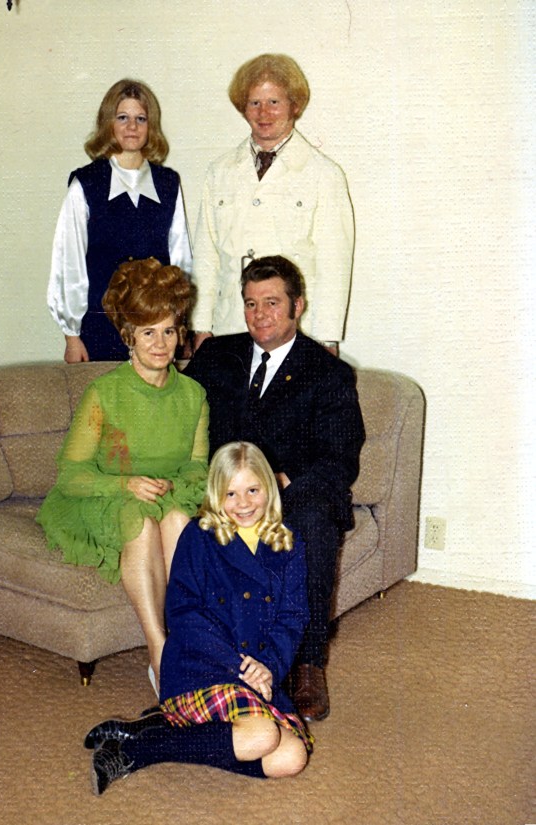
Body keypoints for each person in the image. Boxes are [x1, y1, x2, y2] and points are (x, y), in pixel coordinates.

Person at [184, 255, 365, 722]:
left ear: (297, 306)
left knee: (312, 517)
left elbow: (339, 458)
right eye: (250, 304)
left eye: (271, 302)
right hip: (224, 489)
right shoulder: (215, 357)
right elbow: (177, 417)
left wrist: (280, 486)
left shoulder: (328, 374)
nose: (259, 315)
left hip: (294, 493)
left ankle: (308, 663)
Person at [84, 441, 313, 795]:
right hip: (202, 667)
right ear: (215, 496)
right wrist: (241, 667)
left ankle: (165, 732)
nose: (244, 503)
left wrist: (268, 666)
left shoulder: (289, 545)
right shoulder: (199, 536)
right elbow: (185, 614)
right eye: (231, 494)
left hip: (260, 672)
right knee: (263, 734)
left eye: (253, 490)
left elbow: (293, 617)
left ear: (269, 487)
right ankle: (138, 750)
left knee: (292, 757)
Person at [37, 258, 208, 691]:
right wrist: (125, 484)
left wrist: (173, 485)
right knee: (140, 520)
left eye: (168, 330)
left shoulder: (193, 395)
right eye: (148, 332)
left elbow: (197, 467)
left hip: (165, 495)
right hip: (102, 496)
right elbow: (70, 475)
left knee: (175, 520)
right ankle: (159, 649)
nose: (160, 343)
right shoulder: (103, 392)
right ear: (128, 335)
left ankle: (187, 638)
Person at [191, 54, 354, 356]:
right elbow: (205, 256)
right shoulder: (220, 171)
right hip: (230, 327)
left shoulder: (324, 174)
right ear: (243, 108)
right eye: (254, 103)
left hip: (295, 334)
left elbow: (334, 265)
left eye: (274, 102)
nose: (264, 112)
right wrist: (201, 327)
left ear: (295, 105)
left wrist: (327, 340)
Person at [47, 78, 192, 363]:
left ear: (151, 126)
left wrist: (181, 326)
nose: (132, 127)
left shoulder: (168, 184)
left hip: (157, 330)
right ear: (108, 123)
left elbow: (182, 262)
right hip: (100, 329)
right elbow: (69, 263)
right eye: (122, 117)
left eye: (141, 118)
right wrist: (72, 335)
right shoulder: (86, 184)